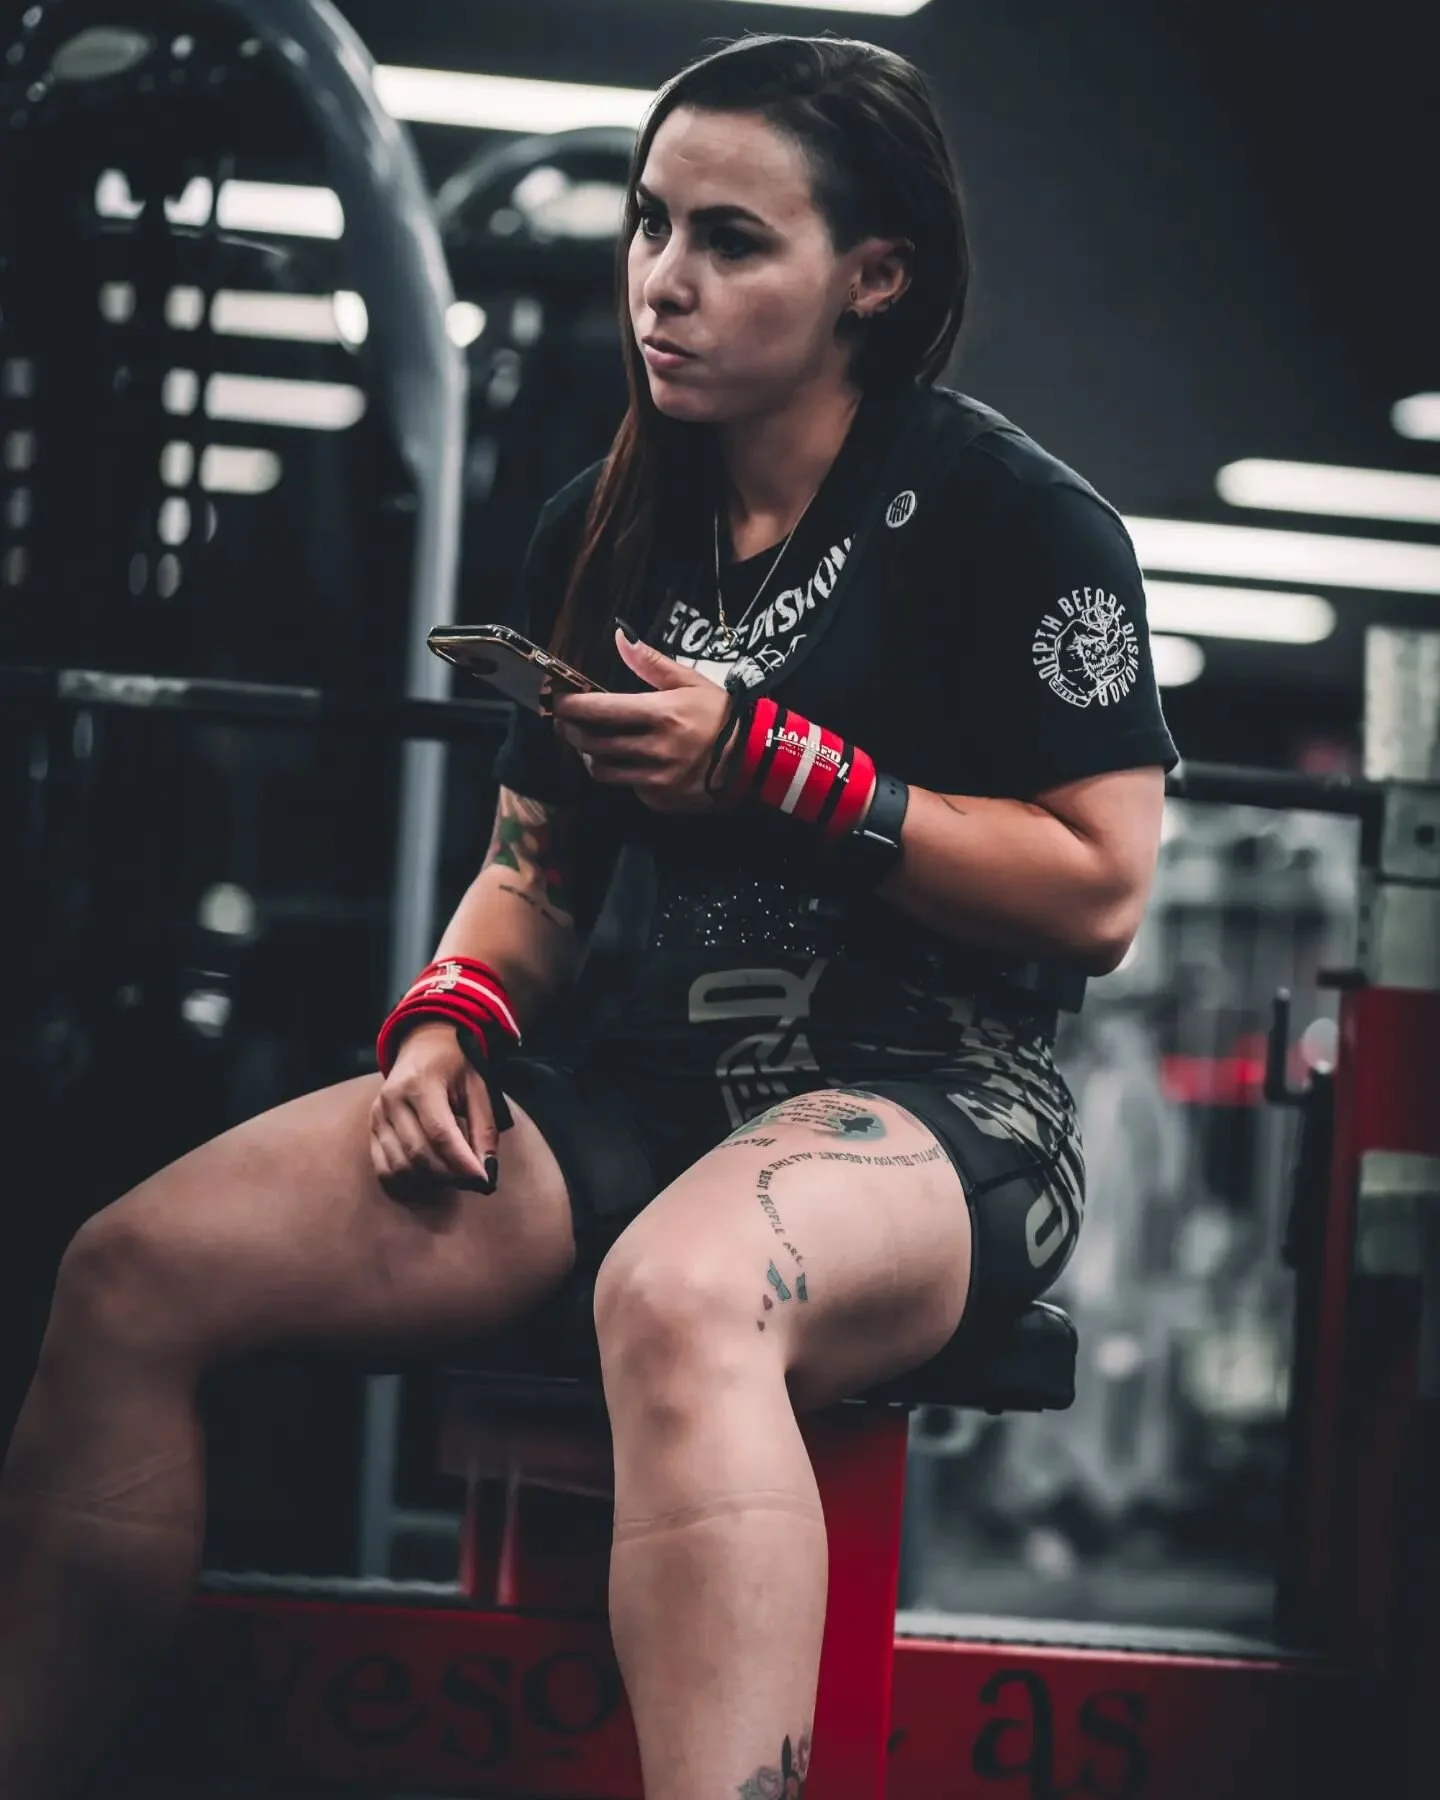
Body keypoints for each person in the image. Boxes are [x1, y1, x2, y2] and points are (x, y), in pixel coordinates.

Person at [0, 32, 1176, 1800]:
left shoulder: (1022, 521)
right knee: (131, 1271)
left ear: (875, 275)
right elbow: (534, 874)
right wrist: (452, 1014)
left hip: (941, 1112)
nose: (663, 281)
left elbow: (1099, 892)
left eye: (731, 240)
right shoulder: (608, 523)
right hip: (641, 1097)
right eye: (650, 224)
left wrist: (782, 770)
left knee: (685, 1294)